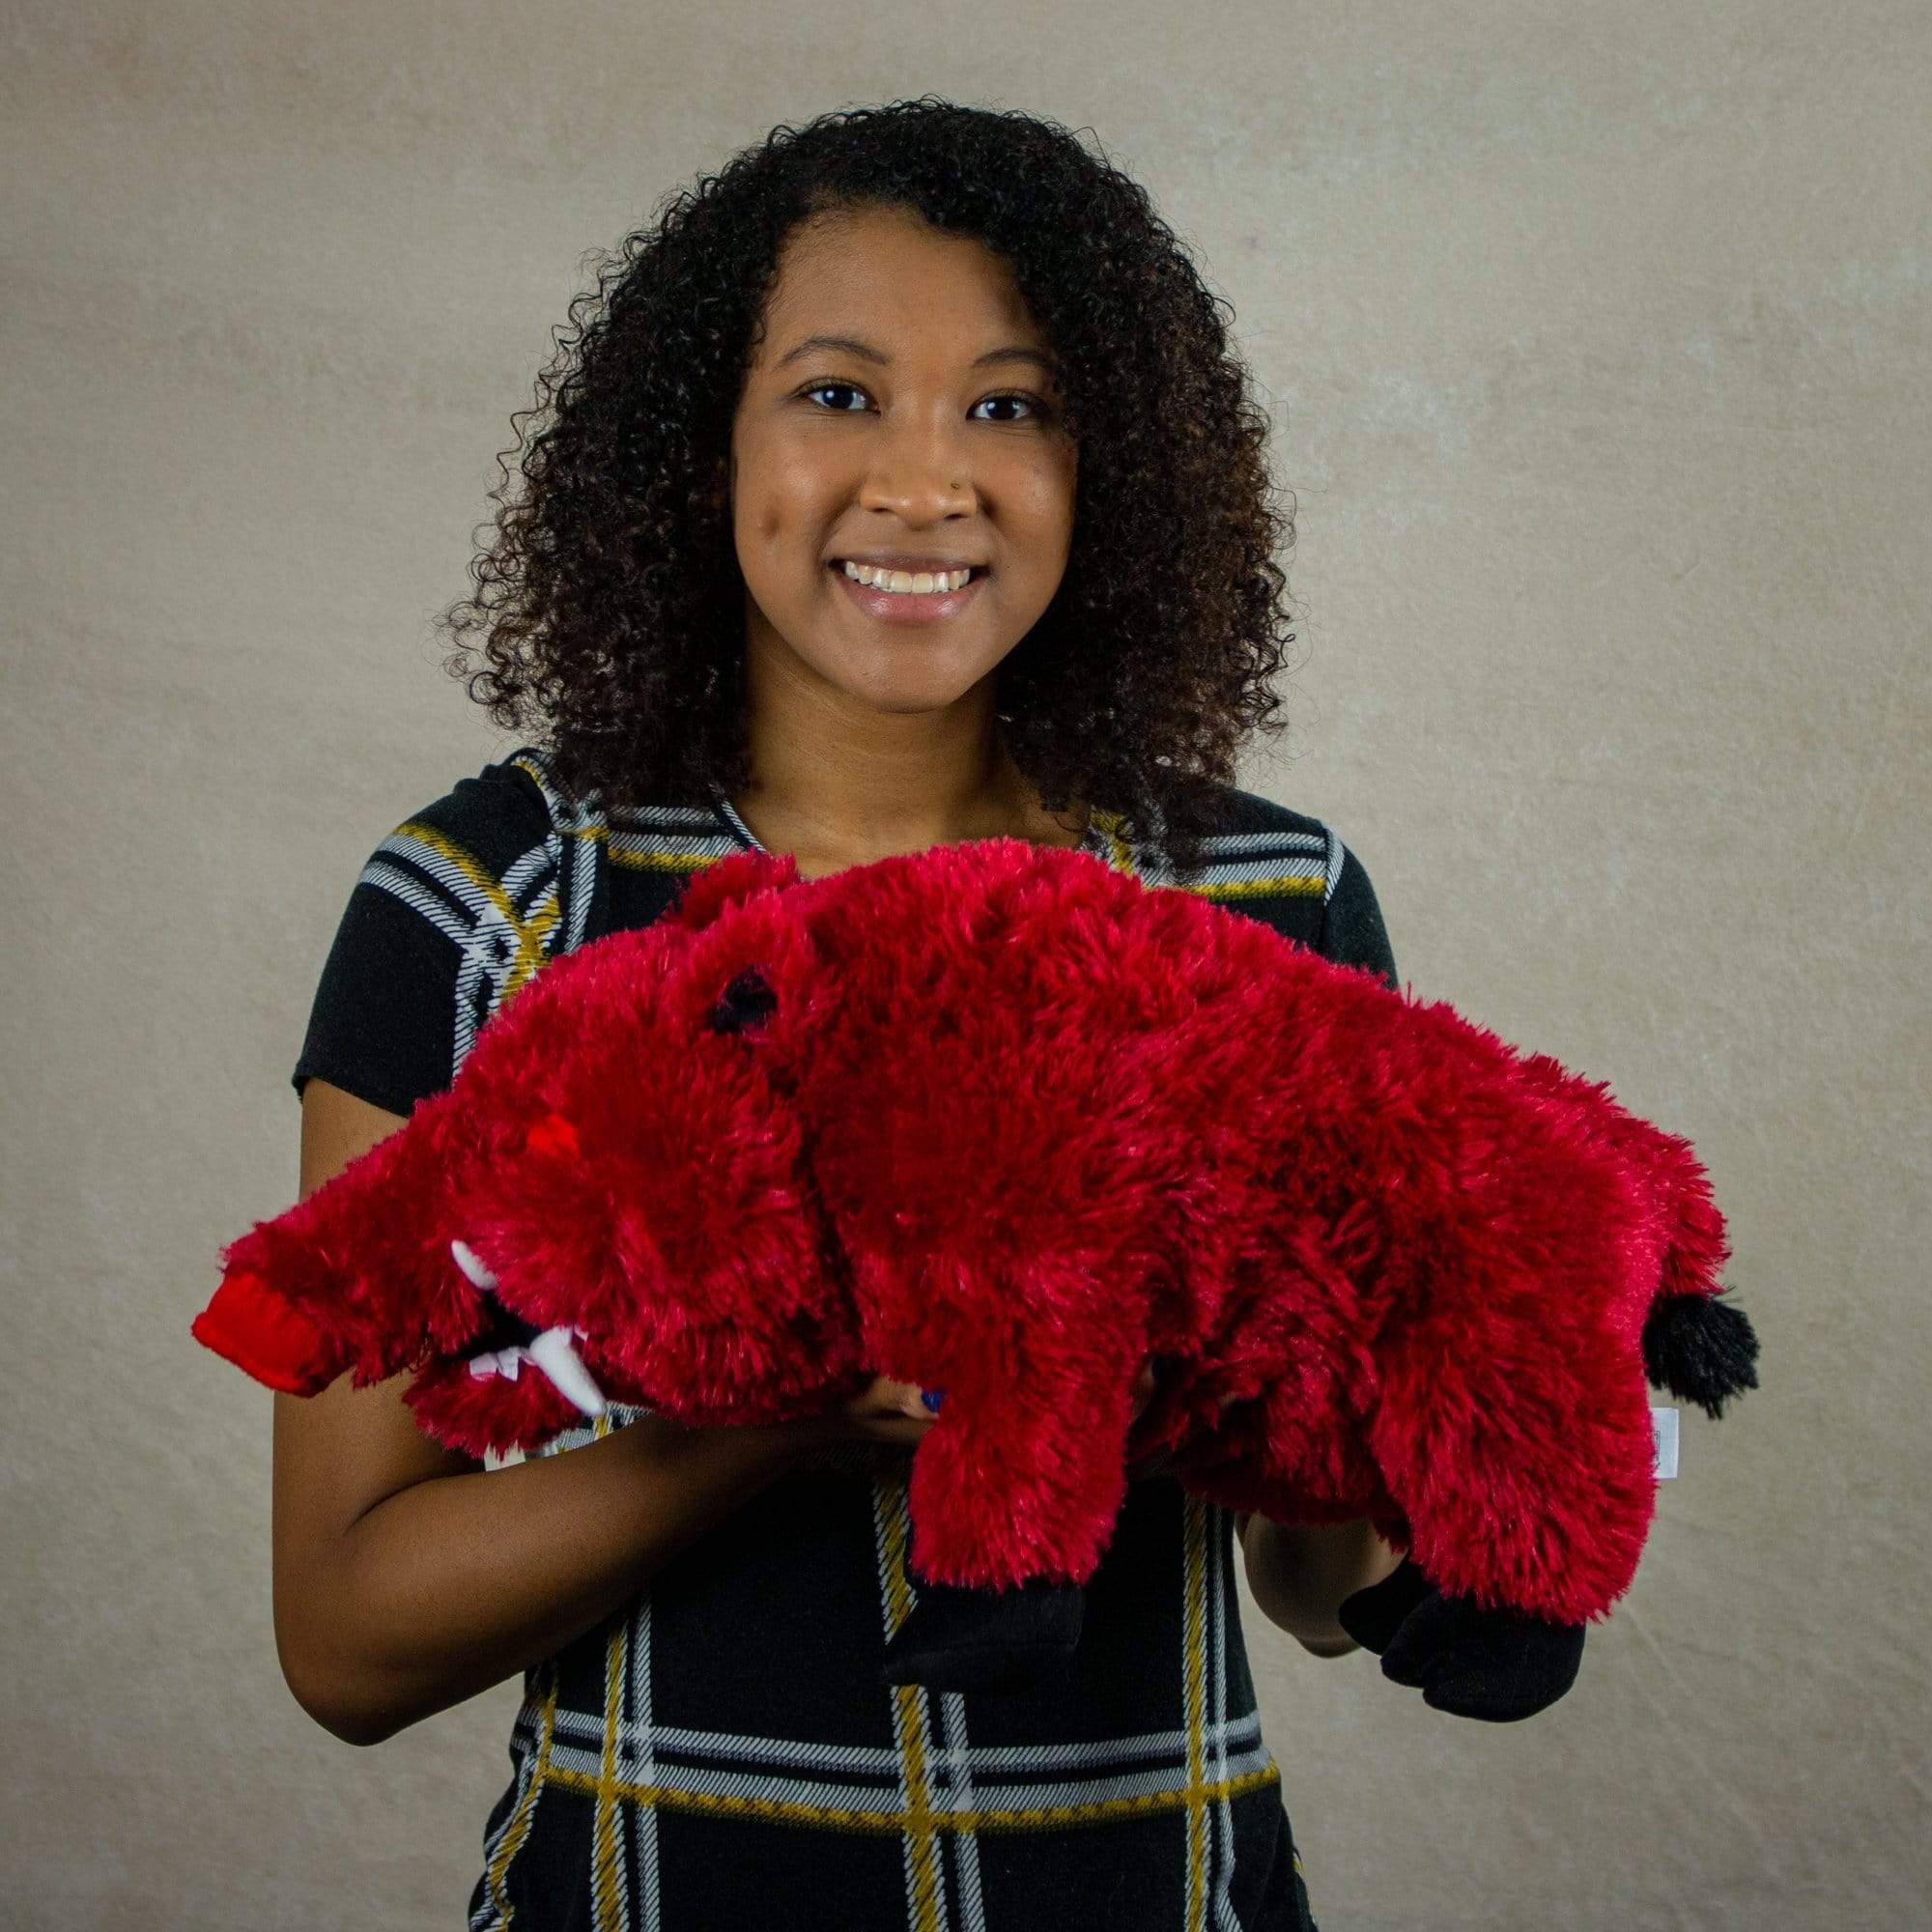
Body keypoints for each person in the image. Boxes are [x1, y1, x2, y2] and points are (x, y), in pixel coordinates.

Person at [274, 99, 1406, 1931]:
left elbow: (1323, 1580)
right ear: (698, 449)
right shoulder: (495, 902)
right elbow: (340, 1635)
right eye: (838, 392)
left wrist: (1437, 1420)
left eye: (1011, 405)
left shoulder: (1262, 906)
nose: (925, 481)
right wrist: (767, 1421)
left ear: (1107, 462)